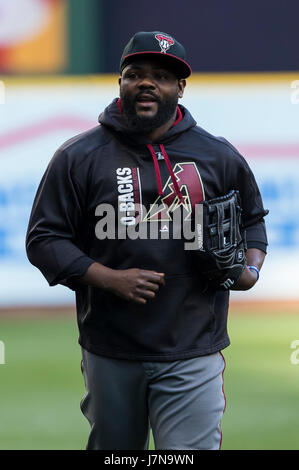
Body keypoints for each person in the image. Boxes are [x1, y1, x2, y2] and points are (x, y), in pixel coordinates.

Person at [26, 31, 268, 451]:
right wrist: (108, 278)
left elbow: (253, 221)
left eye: (161, 75)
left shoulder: (218, 155)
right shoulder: (79, 156)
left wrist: (250, 268)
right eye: (134, 73)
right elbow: (44, 238)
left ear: (180, 87)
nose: (146, 83)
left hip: (194, 345)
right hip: (111, 347)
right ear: (120, 82)